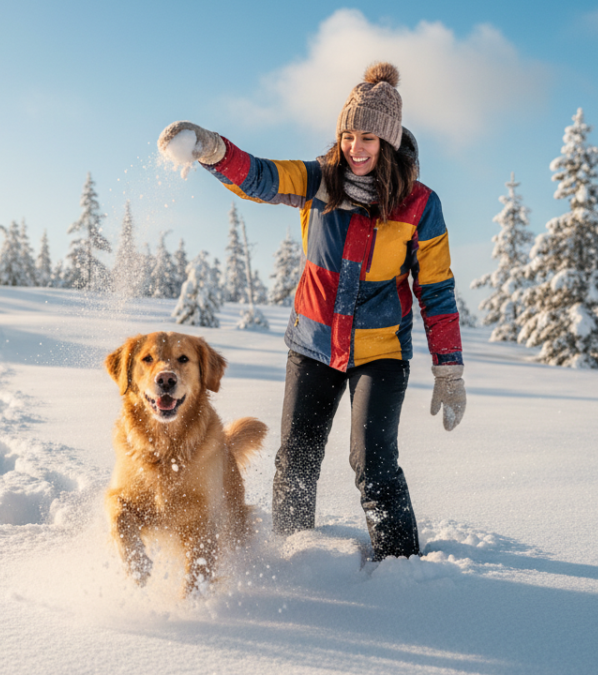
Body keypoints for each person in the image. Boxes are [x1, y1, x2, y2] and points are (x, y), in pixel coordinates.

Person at [157, 62, 466, 561]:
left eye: (367, 137)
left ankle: (402, 569)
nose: (355, 148)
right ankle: (291, 555)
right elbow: (259, 176)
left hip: (381, 351)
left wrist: (448, 367)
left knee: (375, 462)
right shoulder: (320, 181)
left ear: (386, 141)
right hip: (314, 344)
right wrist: (213, 149)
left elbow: (436, 289)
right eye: (348, 135)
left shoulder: (418, 205)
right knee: (296, 459)